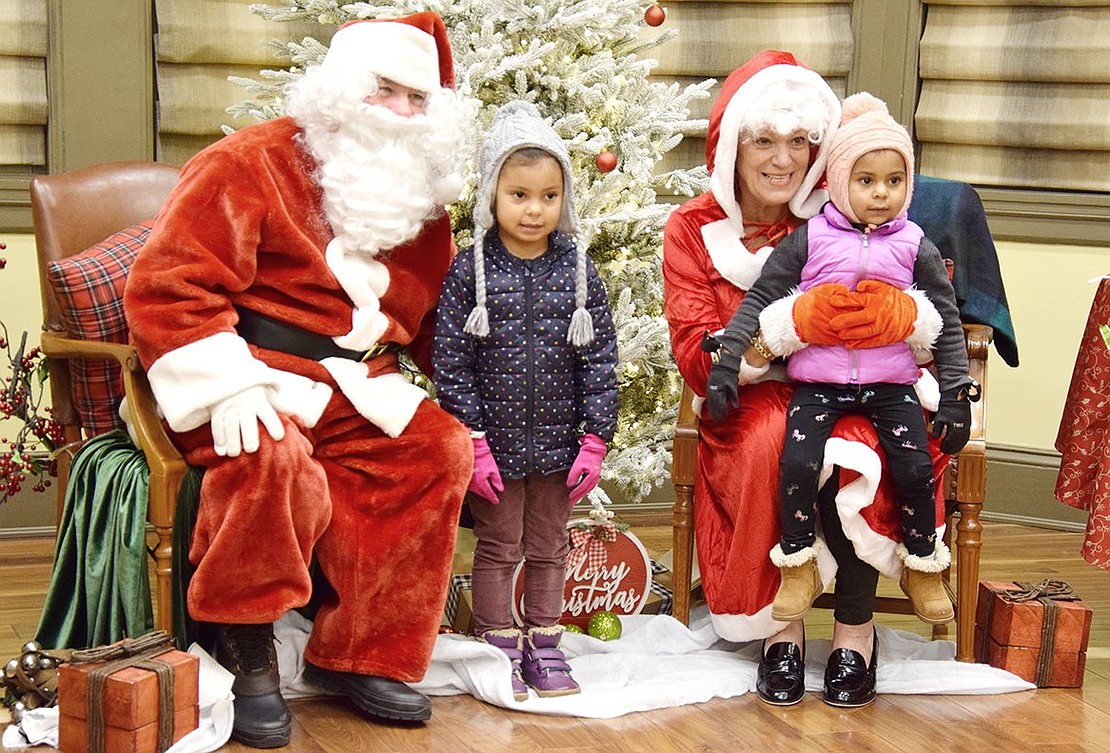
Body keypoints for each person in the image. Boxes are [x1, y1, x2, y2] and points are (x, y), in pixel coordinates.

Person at [123, 12, 473, 748]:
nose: (402, 114)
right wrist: (229, 382)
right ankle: (243, 639)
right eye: (386, 90)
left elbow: (437, 324)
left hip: (355, 384)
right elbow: (167, 288)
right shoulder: (244, 165)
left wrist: (496, 398)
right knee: (270, 455)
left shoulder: (422, 206)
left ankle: (361, 652)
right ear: (344, 89)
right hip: (242, 371)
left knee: (435, 447)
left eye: (418, 100)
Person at [662, 51, 954, 709]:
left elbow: (913, 295)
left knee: (876, 440)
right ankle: (780, 627)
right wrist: (771, 340)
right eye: (764, 139)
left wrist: (892, 319)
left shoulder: (845, 208)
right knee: (772, 439)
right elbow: (696, 354)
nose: (782, 158)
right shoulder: (690, 229)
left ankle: (856, 627)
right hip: (747, 394)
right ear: (732, 143)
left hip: (851, 382)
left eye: (798, 141)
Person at [705, 92, 976, 629]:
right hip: (820, 384)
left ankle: (923, 564)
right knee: (797, 465)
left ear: (908, 184)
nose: (880, 194)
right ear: (837, 180)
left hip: (890, 383)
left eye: (893, 182)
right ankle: (798, 564)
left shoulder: (915, 245)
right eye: (866, 180)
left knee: (915, 467)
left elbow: (944, 321)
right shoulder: (810, 239)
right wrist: (728, 356)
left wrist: (954, 393)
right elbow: (762, 300)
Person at [432, 100, 619, 701]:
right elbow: (451, 362)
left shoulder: (581, 271)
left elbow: (600, 358)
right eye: (518, 195)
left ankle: (545, 640)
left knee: (548, 544)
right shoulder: (469, 272)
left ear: (564, 198)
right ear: (492, 194)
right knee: (498, 543)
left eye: (547, 196)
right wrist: (472, 439)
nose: (534, 209)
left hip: (561, 445)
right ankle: (497, 641)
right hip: (497, 443)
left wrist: (596, 436)